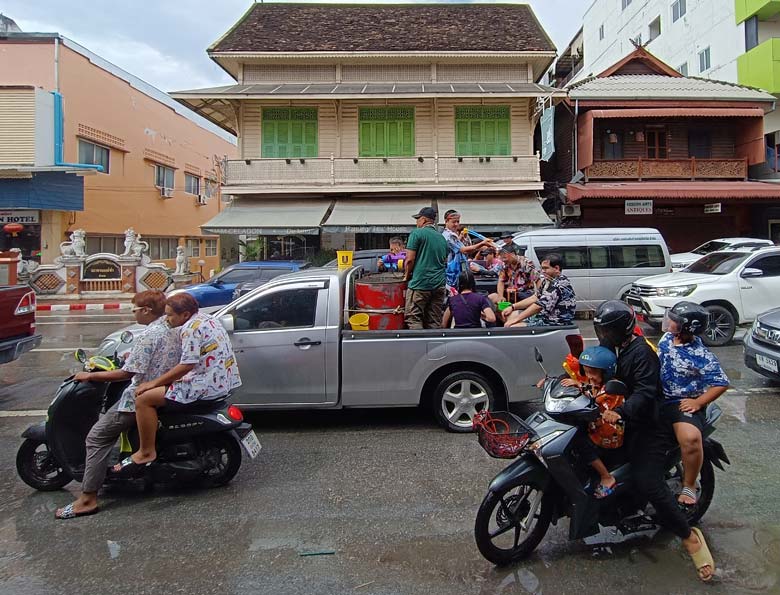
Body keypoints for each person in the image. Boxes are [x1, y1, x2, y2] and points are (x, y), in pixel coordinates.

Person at [594, 300, 715, 582]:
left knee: (647, 479)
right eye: (601, 331)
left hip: (648, 423)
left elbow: (645, 392)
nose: (603, 335)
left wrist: (621, 412)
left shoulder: (641, 354)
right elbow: (600, 367)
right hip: (622, 415)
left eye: (607, 331)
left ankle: (689, 536)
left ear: (619, 331)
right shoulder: (616, 346)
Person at [55, 290, 181, 520]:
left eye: (134, 310)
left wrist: (90, 376)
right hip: (164, 387)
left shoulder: (149, 335)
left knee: (96, 437)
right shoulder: (169, 326)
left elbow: (126, 374)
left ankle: (87, 499)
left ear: (146, 311)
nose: (133, 314)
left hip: (140, 395)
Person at [112, 293, 241, 476]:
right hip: (221, 381)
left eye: (170, 315)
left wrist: (153, 383)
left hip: (202, 385)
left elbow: (187, 364)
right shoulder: (207, 319)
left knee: (143, 399)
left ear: (185, 314)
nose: (167, 319)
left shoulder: (190, 329)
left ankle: (146, 451)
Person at [658, 302, 729, 508]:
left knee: (690, 439)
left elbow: (721, 383)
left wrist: (698, 402)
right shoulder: (667, 339)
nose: (669, 322)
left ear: (687, 327)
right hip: (658, 397)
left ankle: (689, 484)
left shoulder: (700, 354)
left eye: (675, 321)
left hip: (680, 403)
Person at [561, 346, 620, 499]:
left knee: (579, 441)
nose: (589, 376)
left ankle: (606, 476)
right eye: (586, 372)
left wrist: (579, 385)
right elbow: (588, 388)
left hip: (608, 430)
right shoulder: (593, 382)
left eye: (593, 373)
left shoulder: (612, 388)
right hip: (595, 423)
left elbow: (597, 399)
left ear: (606, 372)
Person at [403, 207, 449, 330]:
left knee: (413, 317)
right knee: (434, 320)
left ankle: (419, 342)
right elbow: (444, 260)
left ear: (423, 220)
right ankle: (434, 342)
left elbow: (409, 259)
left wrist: (406, 275)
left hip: (420, 284)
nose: (416, 222)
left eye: (417, 219)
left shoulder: (417, 233)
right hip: (439, 285)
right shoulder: (442, 238)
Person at [502, 253, 575, 327]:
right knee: (510, 315)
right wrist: (512, 307)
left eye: (546, 268)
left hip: (555, 322)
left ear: (556, 268)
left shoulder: (559, 284)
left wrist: (516, 320)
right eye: (542, 268)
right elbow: (535, 297)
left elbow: (539, 306)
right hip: (544, 317)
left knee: (512, 326)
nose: (543, 271)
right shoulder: (548, 280)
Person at [441, 210, 490, 292]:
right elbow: (463, 250)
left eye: (458, 221)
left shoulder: (450, 234)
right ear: (446, 221)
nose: (456, 224)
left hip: (456, 271)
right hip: (453, 273)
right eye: (454, 222)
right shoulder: (450, 235)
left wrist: (460, 238)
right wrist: (482, 243)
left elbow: (455, 248)